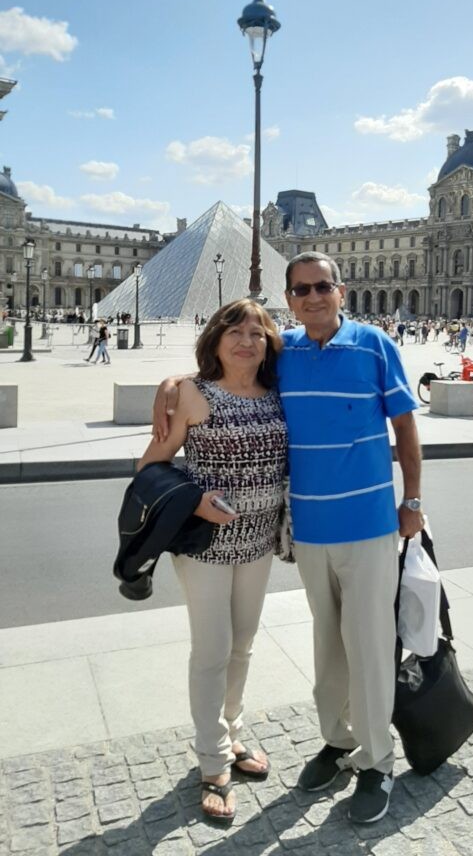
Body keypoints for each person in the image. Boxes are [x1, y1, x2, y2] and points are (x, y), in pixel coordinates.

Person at [154, 254, 424, 825]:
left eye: (322, 286)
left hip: (371, 524)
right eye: (300, 289)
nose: (312, 296)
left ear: (341, 291)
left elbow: (404, 427)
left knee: (371, 645)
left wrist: (414, 501)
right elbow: (230, 370)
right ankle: (337, 741)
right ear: (291, 298)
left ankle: (377, 761)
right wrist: (172, 384)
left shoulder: (375, 346)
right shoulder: (288, 354)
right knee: (327, 644)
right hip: (308, 530)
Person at [143, 299, 287, 824]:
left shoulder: (278, 392)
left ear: (270, 341)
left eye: (257, 332)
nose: (246, 340)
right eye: (234, 331)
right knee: (213, 649)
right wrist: (196, 498)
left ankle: (232, 734)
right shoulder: (192, 393)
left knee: (243, 644)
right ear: (215, 338)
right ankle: (212, 761)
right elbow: (149, 466)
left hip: (258, 539)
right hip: (204, 541)